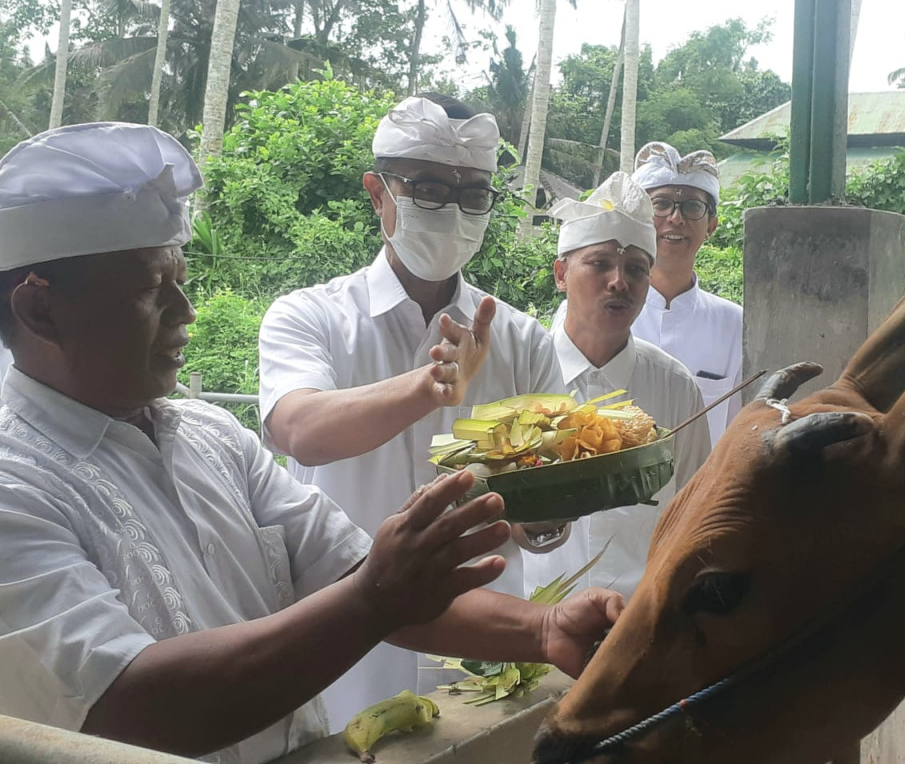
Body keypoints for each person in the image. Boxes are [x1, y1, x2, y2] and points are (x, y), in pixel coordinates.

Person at [0, 122, 623, 764]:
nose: (186, 311)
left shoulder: (212, 438)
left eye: (180, 281)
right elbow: (125, 707)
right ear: (40, 310)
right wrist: (372, 598)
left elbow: (352, 569)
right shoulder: (13, 486)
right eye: (150, 289)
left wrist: (546, 627)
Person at [258, 95, 568, 729]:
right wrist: (431, 386)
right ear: (378, 194)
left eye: (473, 194)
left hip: (483, 663)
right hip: (344, 656)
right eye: (428, 189)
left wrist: (551, 512)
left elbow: (544, 505)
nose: (452, 211)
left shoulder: (524, 340)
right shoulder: (310, 316)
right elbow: (299, 430)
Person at [522, 172, 712, 600]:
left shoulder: (675, 387)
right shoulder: (520, 373)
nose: (619, 282)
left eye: (636, 269)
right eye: (599, 263)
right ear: (561, 273)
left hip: (638, 620)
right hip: (530, 620)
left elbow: (693, 514)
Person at [552, 144, 743, 446]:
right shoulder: (584, 318)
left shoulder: (735, 324)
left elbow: (738, 433)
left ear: (712, 226)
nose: (676, 218)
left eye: (692, 207)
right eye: (661, 204)